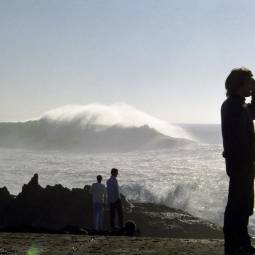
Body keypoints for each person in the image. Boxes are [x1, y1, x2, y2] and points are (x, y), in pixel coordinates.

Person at [221, 68, 255, 255]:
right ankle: (234, 247)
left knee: (244, 206)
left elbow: (254, 111)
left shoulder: (239, 105)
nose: (252, 85)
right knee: (237, 207)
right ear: (239, 84)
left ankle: (242, 244)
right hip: (240, 165)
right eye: (249, 82)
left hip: (245, 165)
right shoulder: (232, 106)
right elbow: (237, 140)